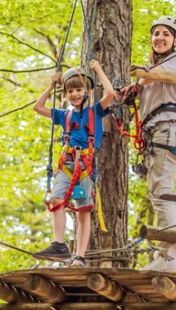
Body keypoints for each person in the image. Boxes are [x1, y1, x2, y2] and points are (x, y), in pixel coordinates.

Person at [119, 16, 176, 275]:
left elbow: (149, 77)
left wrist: (137, 84)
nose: (159, 37)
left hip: (167, 130)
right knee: (161, 196)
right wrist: (130, 92)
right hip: (158, 134)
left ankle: (169, 257)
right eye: (156, 33)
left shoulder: (175, 59)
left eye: (166, 34)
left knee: (163, 196)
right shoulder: (153, 70)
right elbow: (146, 82)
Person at [32, 60, 114, 267]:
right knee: (55, 200)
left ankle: (80, 256)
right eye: (70, 91)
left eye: (79, 90)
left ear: (87, 91)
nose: (74, 94)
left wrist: (98, 70)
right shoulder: (64, 115)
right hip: (67, 164)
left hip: (85, 166)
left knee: (83, 211)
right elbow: (38, 107)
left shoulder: (95, 111)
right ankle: (59, 245)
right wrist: (51, 86)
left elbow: (111, 94)